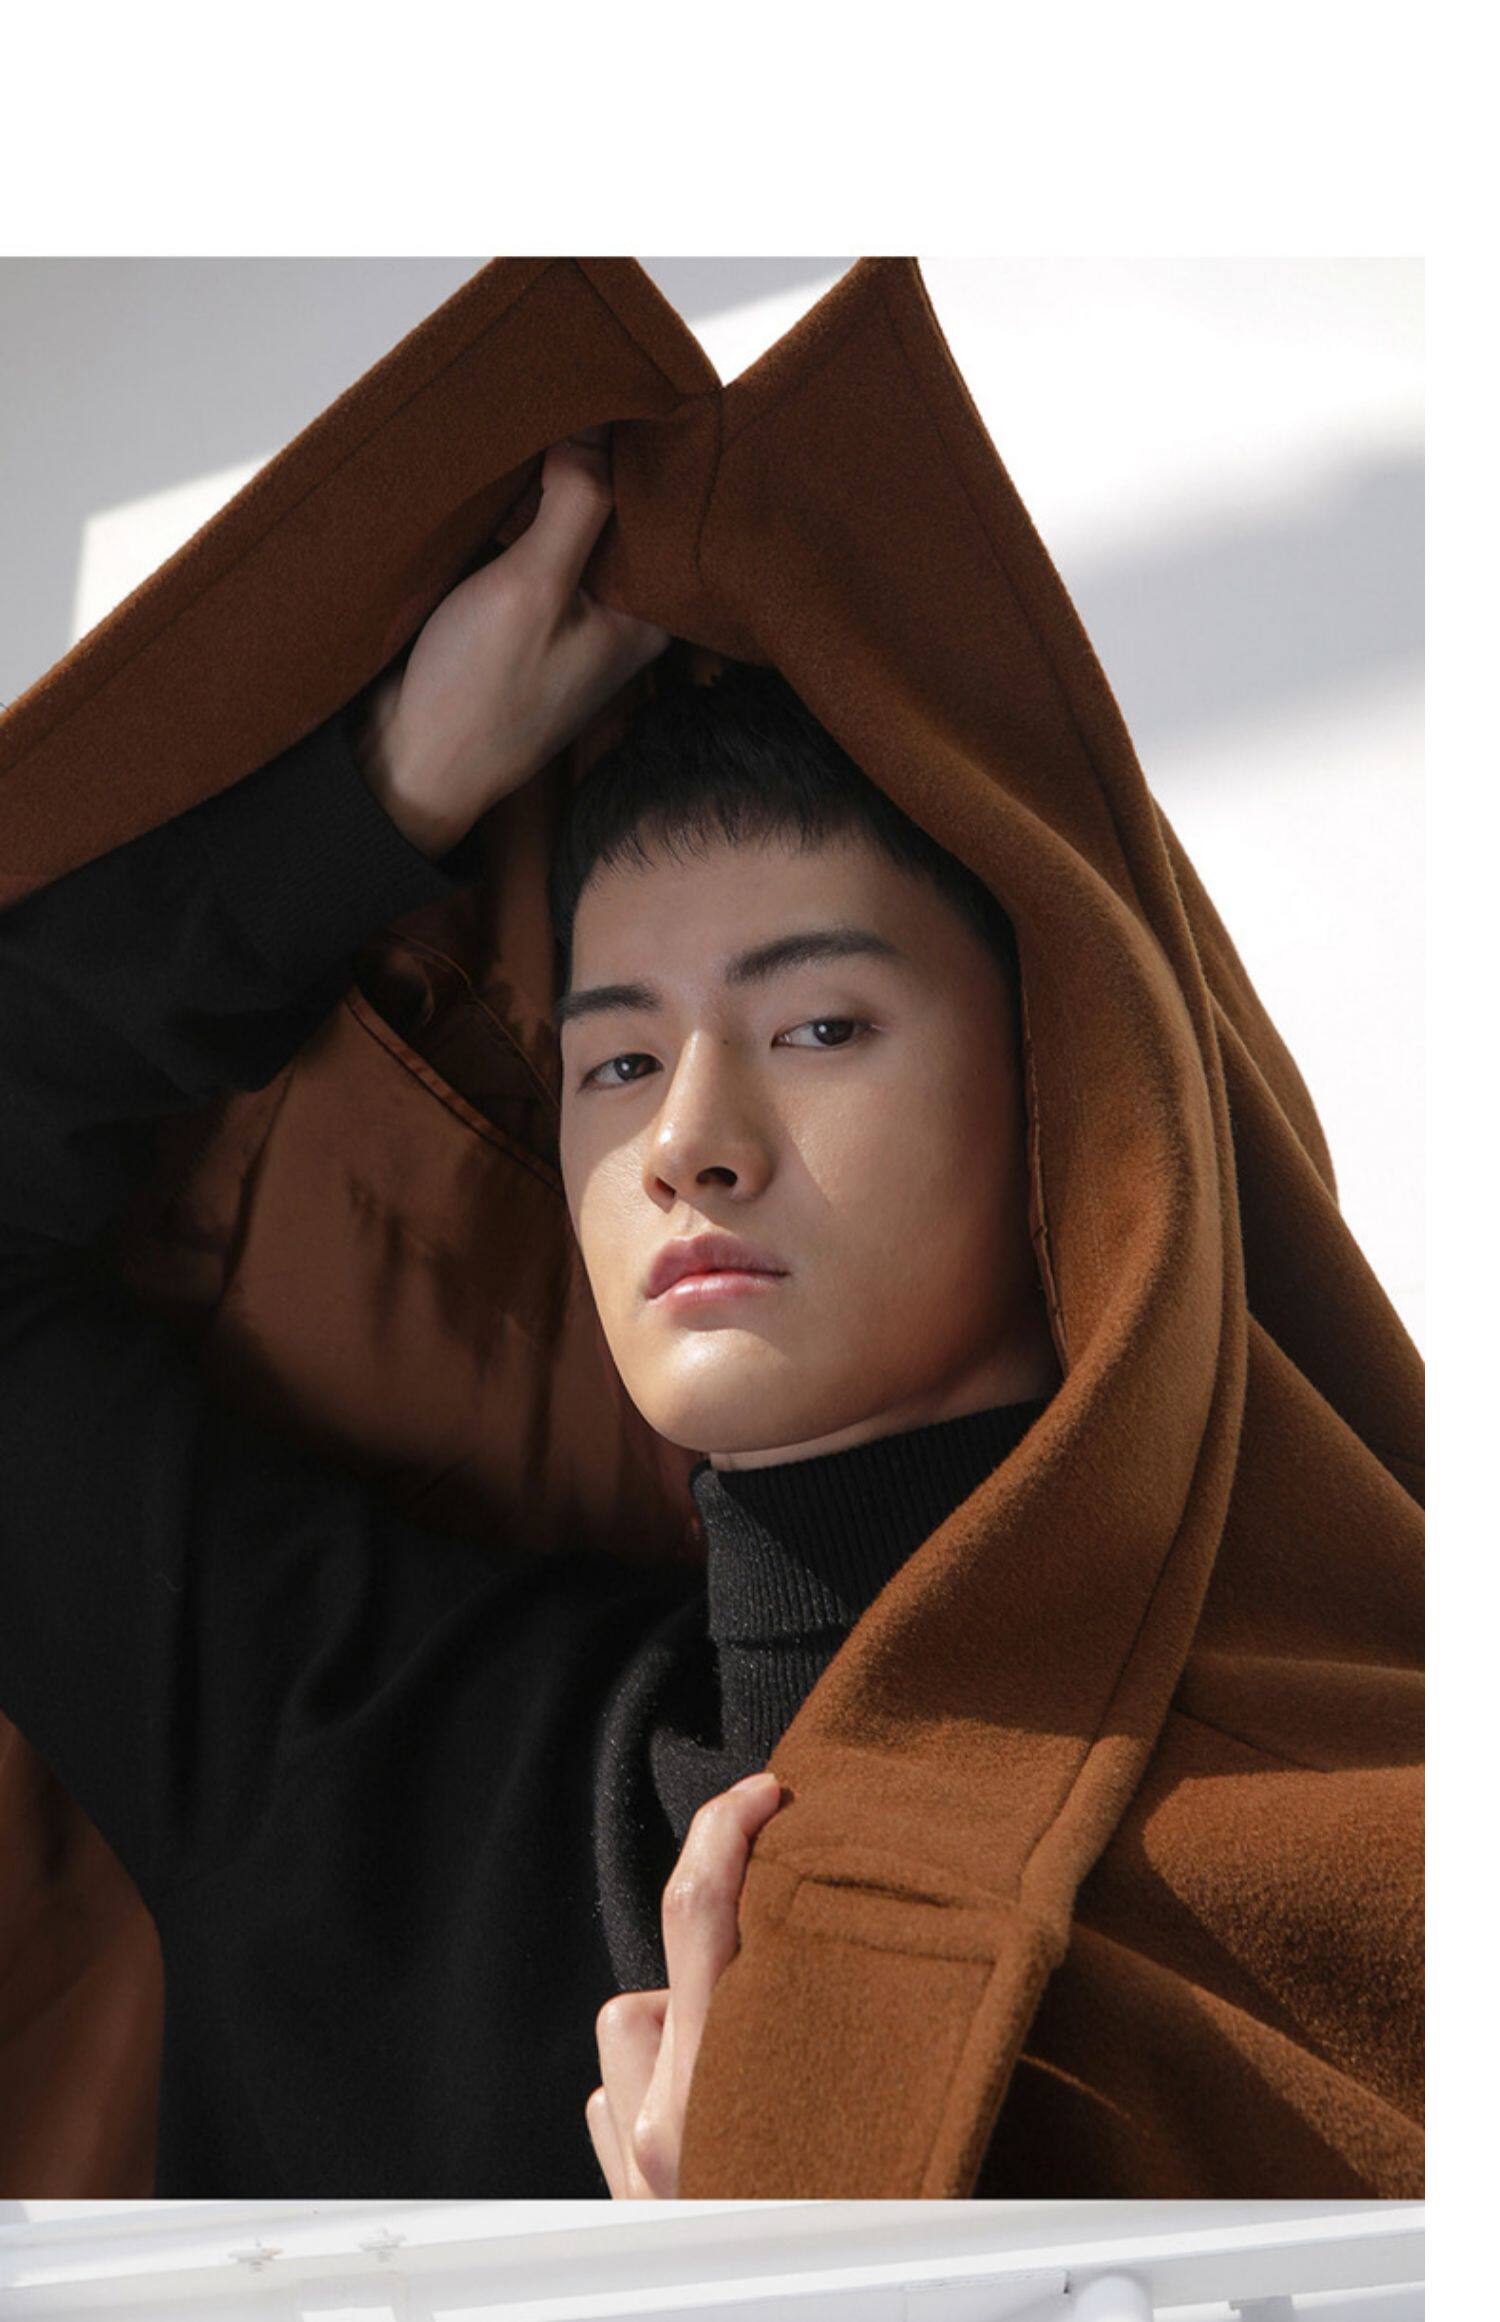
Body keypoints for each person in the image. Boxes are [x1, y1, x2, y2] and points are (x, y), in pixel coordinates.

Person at [0, 431, 1056, 2196]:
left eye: (818, 1026)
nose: (688, 1139)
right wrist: (383, 795)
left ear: (1067, 1093)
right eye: (617, 1059)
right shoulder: (364, 1772)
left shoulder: (1349, 1786)